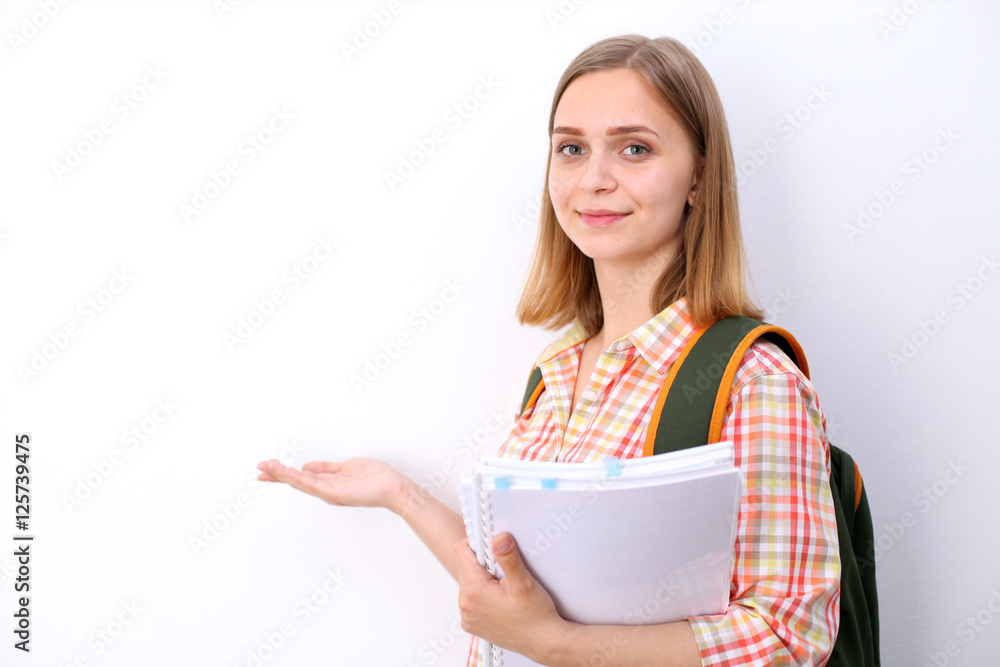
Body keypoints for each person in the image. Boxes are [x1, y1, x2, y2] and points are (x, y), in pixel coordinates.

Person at [258, 34, 840, 667]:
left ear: (698, 176)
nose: (594, 179)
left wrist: (557, 646)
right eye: (572, 148)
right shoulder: (556, 373)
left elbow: (790, 638)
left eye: (635, 148)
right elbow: (513, 590)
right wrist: (400, 494)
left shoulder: (752, 381)